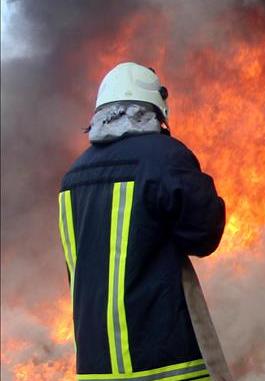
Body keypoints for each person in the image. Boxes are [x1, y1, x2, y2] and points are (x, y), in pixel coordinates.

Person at [58, 62, 231, 380]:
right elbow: (204, 235)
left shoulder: (72, 178)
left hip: (95, 368)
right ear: (156, 109)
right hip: (163, 364)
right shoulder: (164, 157)